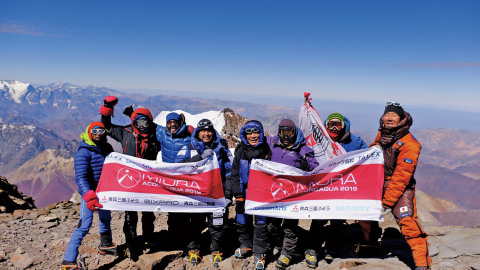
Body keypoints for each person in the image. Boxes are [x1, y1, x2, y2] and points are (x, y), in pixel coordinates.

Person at [304, 113, 373, 268]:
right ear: (326, 125)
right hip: (324, 188)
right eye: (331, 124)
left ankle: (331, 248)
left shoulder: (355, 141)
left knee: (337, 220)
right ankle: (311, 249)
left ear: (344, 126)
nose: (334, 128)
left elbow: (367, 157)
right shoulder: (320, 141)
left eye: (338, 125)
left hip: (343, 188)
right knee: (318, 220)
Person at [371, 102, 431, 270]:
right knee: (364, 215)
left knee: (407, 222)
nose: (390, 118)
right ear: (382, 118)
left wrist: (388, 202)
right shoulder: (383, 135)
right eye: (387, 115)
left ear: (402, 119)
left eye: (394, 115)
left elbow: (401, 177)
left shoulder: (410, 144)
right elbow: (373, 156)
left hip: (400, 188)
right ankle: (370, 245)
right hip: (378, 183)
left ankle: (422, 264)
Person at [99, 96, 160, 261]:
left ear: (150, 121)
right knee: (130, 215)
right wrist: (107, 109)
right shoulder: (125, 132)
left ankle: (148, 238)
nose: (142, 126)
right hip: (130, 182)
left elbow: (173, 137)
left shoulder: (157, 133)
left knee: (148, 213)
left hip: (148, 181)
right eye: (138, 122)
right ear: (134, 122)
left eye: (145, 122)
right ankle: (131, 244)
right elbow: (106, 127)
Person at [259, 119, 318, 270]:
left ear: (295, 132)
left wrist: (307, 167)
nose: (286, 136)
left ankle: (287, 253)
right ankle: (278, 244)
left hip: (293, 196)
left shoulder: (303, 150)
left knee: (290, 227)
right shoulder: (273, 143)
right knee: (272, 225)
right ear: (279, 132)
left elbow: (316, 169)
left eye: (289, 132)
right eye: (283, 132)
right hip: (274, 194)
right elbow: (255, 140)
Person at [61, 122, 116, 270]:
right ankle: (68, 261)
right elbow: (80, 178)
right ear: (89, 133)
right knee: (84, 225)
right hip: (90, 194)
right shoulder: (83, 152)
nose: (99, 133)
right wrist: (89, 195)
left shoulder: (107, 148)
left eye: (102, 131)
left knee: (106, 218)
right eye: (95, 131)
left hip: (104, 191)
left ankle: (106, 244)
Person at [178, 119, 233, 266]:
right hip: (196, 194)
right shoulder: (189, 147)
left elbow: (229, 172)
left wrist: (228, 195)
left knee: (217, 224)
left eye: (209, 130)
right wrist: (199, 158)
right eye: (203, 131)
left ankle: (216, 249)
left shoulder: (222, 148)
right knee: (195, 223)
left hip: (217, 194)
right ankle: (194, 248)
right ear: (198, 132)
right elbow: (179, 167)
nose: (206, 133)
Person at [155, 112, 204, 264]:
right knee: (174, 213)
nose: (172, 125)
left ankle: (192, 245)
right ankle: (176, 242)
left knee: (190, 213)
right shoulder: (162, 134)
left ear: (180, 122)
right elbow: (147, 126)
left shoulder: (190, 134)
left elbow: (208, 136)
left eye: (175, 122)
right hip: (170, 182)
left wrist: (194, 130)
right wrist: (133, 115)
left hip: (188, 181)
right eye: (169, 122)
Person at [229, 120, 271, 269]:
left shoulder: (267, 149)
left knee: (260, 223)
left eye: (256, 132)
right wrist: (239, 196)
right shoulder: (240, 152)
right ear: (244, 135)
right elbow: (235, 175)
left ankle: (260, 252)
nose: (253, 136)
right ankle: (245, 244)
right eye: (249, 133)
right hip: (245, 191)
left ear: (260, 133)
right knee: (241, 219)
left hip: (261, 192)